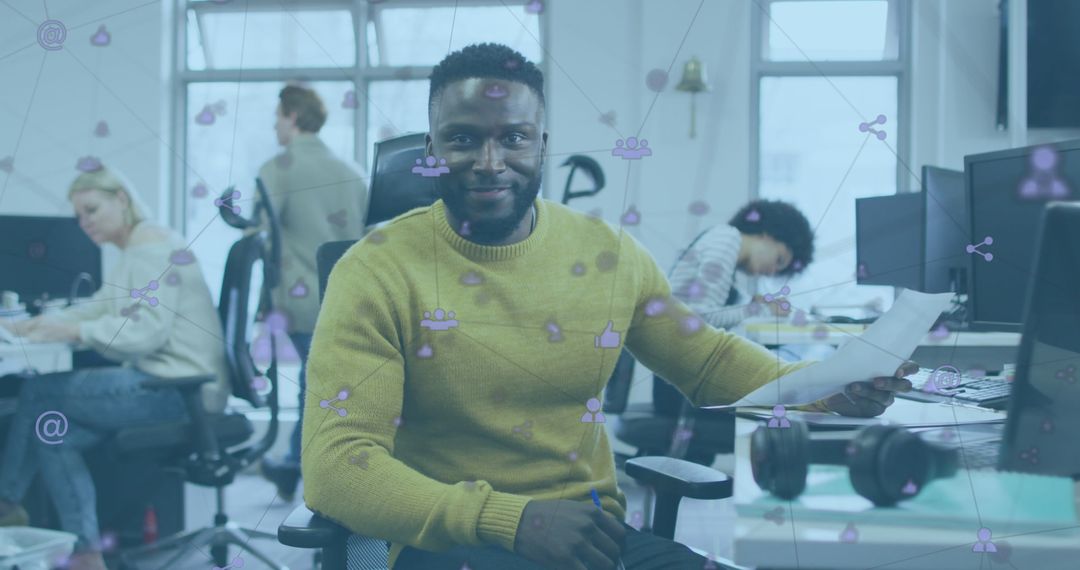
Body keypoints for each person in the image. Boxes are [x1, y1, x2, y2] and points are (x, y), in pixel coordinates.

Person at [301, 43, 915, 570]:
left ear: (542, 144)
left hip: (594, 542)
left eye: (512, 138)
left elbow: (706, 362)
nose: (490, 163)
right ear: (431, 147)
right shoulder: (375, 270)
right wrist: (510, 519)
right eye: (462, 139)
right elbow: (336, 466)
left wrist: (825, 386)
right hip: (451, 543)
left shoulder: (609, 254)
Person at [0, 165, 228, 570]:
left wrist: (73, 331)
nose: (85, 223)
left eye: (92, 210)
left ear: (121, 199)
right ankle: (88, 554)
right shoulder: (139, 247)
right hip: (173, 386)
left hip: (175, 389)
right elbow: (102, 306)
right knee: (56, 432)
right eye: (80, 216)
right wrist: (31, 325)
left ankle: (5, 502)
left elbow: (145, 334)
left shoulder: (151, 249)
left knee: (38, 393)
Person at [253, 84, 368, 502]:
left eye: (278, 116)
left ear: (293, 117)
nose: (274, 125)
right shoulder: (354, 173)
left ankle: (305, 469)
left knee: (313, 385)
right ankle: (292, 466)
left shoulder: (278, 168)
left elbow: (260, 231)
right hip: (347, 298)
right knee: (318, 383)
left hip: (299, 302)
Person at [669, 199, 815, 330]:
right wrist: (765, 310)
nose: (771, 272)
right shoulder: (727, 240)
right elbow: (704, 318)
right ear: (768, 234)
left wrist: (754, 304)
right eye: (779, 260)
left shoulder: (723, 241)